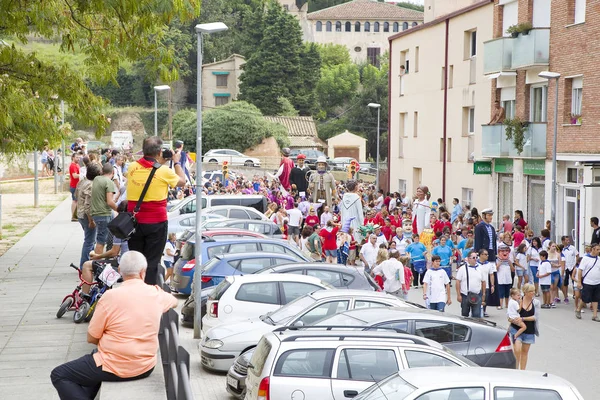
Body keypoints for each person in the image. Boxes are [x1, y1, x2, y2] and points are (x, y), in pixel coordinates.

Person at [51, 251, 178, 399]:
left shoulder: (110, 297)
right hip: (145, 366)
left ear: (120, 271)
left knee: (60, 374)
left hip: (115, 366)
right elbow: (174, 301)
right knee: (92, 362)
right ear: (143, 272)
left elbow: (92, 337)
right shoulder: (157, 294)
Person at [127, 137, 185, 285]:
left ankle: (135, 288)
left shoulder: (132, 166)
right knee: (152, 262)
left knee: (136, 260)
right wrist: (176, 161)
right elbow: (182, 181)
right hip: (156, 223)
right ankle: (148, 291)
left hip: (134, 223)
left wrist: (161, 161)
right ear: (160, 152)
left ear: (143, 151)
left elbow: (150, 169)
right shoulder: (164, 171)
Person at [508, 283, 540, 370]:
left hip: (529, 331)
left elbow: (535, 317)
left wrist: (522, 318)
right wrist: (511, 320)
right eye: (531, 291)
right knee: (517, 350)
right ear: (525, 292)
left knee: (525, 353)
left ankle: (523, 372)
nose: (533, 293)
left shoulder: (536, 303)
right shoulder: (517, 300)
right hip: (516, 329)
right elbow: (510, 314)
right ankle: (515, 370)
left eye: (534, 291)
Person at [76, 163, 102, 268]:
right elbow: (88, 205)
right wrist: (91, 220)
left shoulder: (82, 182)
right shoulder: (91, 185)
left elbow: (76, 195)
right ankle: (85, 265)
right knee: (89, 241)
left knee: (89, 240)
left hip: (80, 214)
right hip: (87, 216)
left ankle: (86, 263)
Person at [91, 163, 118, 254]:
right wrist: (119, 210)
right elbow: (110, 202)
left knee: (104, 237)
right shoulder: (109, 182)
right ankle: (97, 263)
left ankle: (105, 258)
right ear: (113, 172)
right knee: (101, 241)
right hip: (103, 214)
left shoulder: (96, 179)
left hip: (96, 213)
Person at [456, 250, 486, 318]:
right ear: (469, 258)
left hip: (477, 295)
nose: (475, 259)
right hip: (465, 295)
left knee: (476, 315)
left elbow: (483, 281)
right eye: (473, 258)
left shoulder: (480, 268)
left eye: (476, 257)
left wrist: (483, 294)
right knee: (464, 314)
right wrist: (458, 295)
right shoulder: (462, 268)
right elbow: (458, 282)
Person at [576, 243, 600, 321]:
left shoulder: (598, 259)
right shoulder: (585, 258)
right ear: (592, 249)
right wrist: (579, 281)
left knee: (595, 299)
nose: (598, 251)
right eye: (597, 249)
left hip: (597, 282)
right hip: (588, 282)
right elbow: (580, 270)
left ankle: (595, 315)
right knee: (585, 298)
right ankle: (578, 310)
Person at [560, 235, 579, 304]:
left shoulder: (572, 248)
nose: (568, 241)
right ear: (563, 241)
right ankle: (566, 297)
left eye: (568, 240)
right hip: (565, 267)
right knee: (565, 282)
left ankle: (575, 295)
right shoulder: (561, 249)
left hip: (572, 266)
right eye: (566, 240)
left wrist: (576, 264)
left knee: (574, 281)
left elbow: (577, 255)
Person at [69, 153, 81, 221]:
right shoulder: (73, 166)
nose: (78, 159)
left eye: (78, 157)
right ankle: (73, 216)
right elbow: (74, 175)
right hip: (74, 186)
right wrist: (82, 175)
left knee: (77, 201)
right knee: (74, 201)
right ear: (73, 157)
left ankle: (75, 215)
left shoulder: (77, 165)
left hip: (77, 185)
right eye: (76, 157)